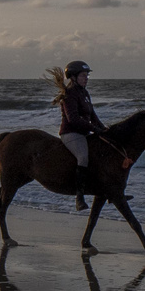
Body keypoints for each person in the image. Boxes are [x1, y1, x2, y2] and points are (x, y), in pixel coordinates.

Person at [56, 60, 104, 211]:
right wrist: (94, 130)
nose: (86, 78)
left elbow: (93, 115)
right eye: (83, 76)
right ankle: (79, 197)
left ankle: (107, 189)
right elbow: (74, 119)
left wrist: (104, 130)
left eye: (87, 76)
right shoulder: (69, 94)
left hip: (84, 132)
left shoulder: (84, 93)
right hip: (71, 133)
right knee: (83, 157)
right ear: (73, 77)